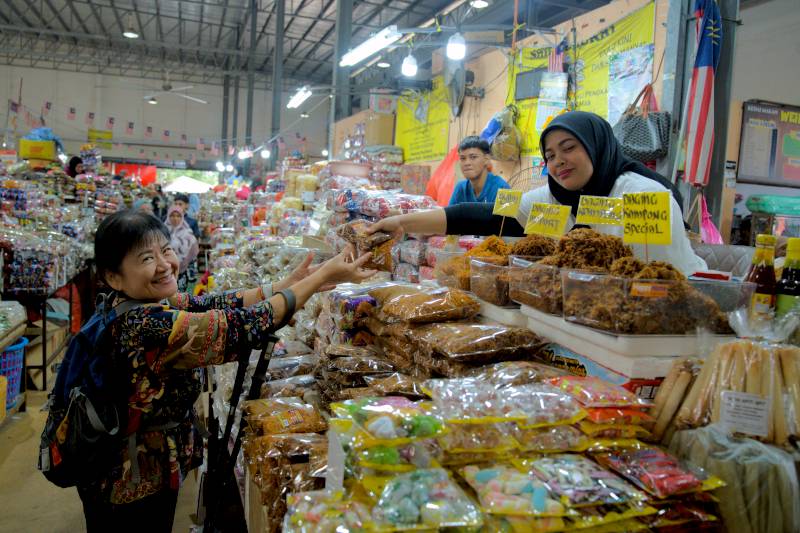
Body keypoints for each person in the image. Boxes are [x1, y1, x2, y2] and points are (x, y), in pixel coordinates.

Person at [75, 210, 374, 531]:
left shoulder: (132, 302)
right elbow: (242, 326)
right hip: (129, 477)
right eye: (147, 258)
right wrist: (319, 278)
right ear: (113, 276)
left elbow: (214, 304)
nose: (164, 264)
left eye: (166, 250)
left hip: (139, 464)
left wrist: (287, 284)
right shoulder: (143, 323)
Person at [369, 111, 706, 274]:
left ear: (596, 145)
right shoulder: (550, 196)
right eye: (550, 155)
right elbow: (484, 215)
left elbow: (663, 277)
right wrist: (402, 221)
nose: (558, 162)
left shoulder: (641, 195)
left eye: (569, 148)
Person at [448, 136, 511, 206]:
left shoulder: (503, 189)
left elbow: (507, 217)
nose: (467, 163)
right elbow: (448, 216)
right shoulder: (460, 188)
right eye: (462, 158)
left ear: (486, 159)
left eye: (473, 157)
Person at [166, 206, 199, 291]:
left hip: (183, 271)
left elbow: (193, 253)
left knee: (179, 296)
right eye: (172, 216)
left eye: (178, 216)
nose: (175, 218)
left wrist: (185, 263)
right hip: (166, 270)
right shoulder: (162, 232)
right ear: (168, 216)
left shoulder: (188, 234)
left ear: (182, 217)